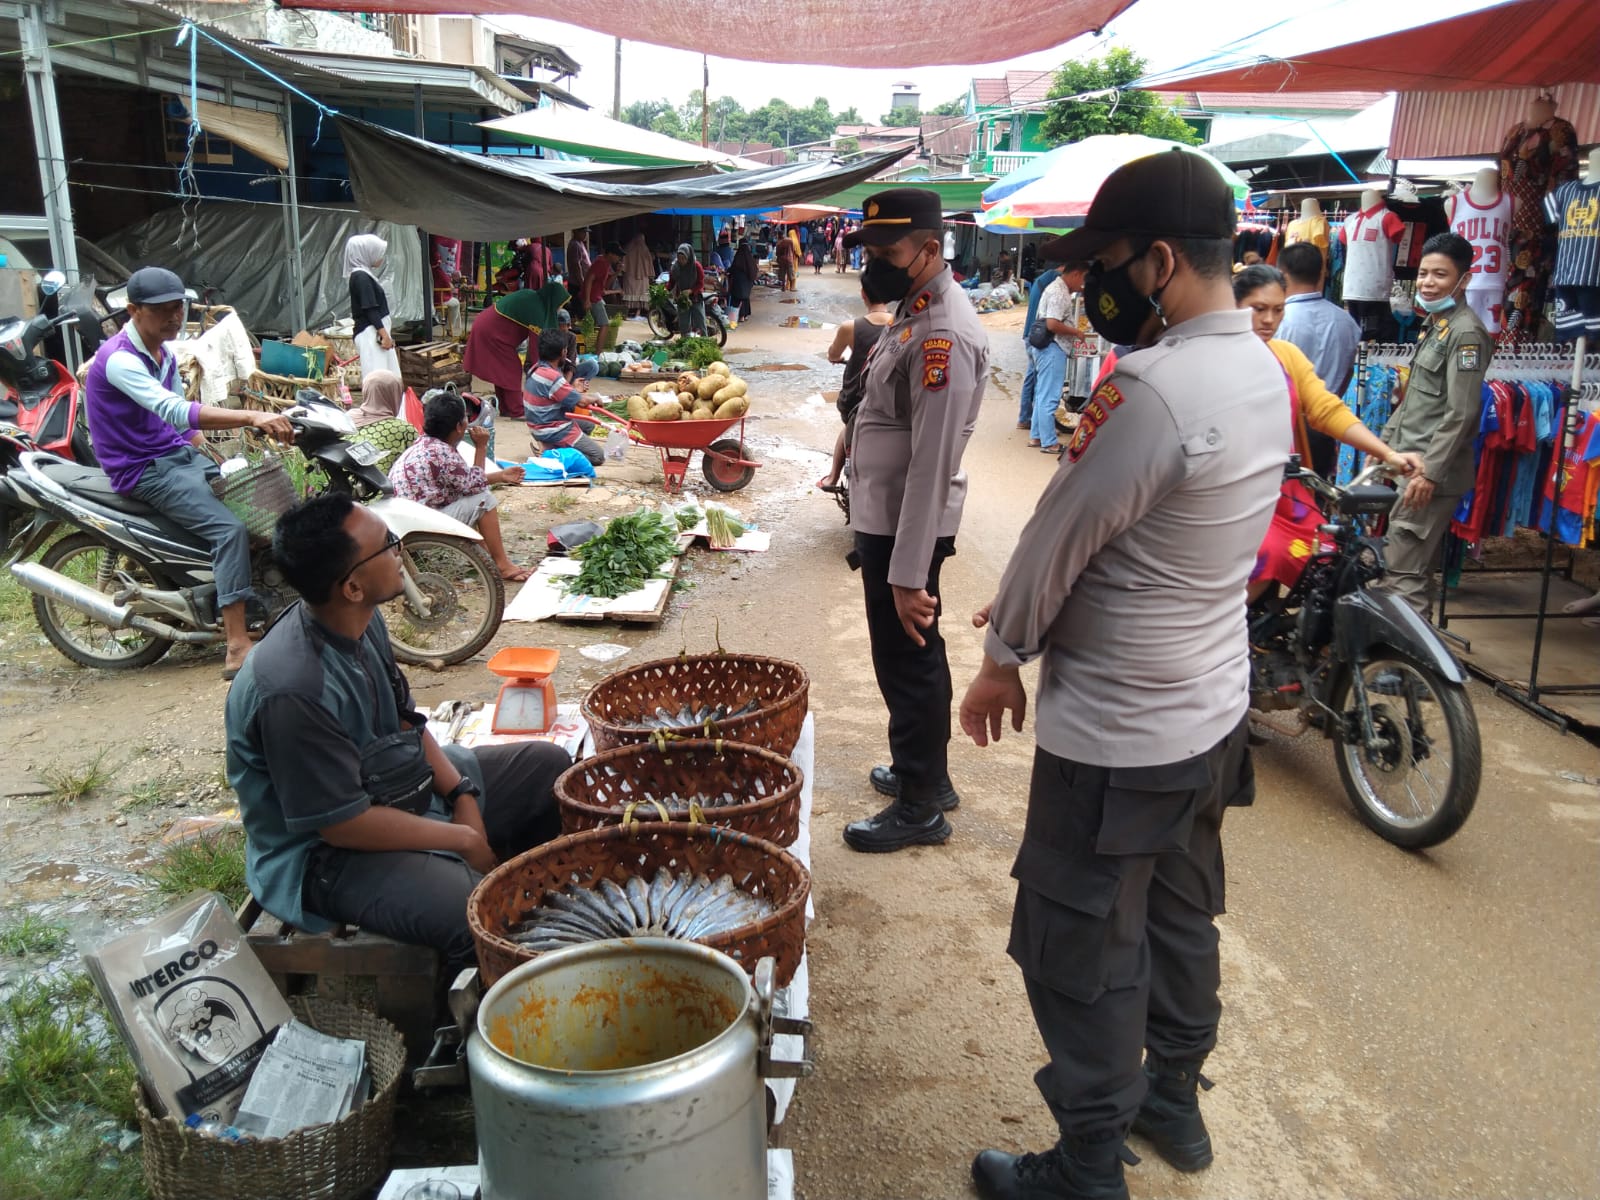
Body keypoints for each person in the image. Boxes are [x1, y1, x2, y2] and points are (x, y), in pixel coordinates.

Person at [958, 150, 1286, 1200]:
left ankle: (1087, 1166)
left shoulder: (1152, 389)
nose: (1095, 286)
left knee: (1077, 943)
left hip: (1118, 738)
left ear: (1157, 261)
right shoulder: (1259, 372)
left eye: (1106, 262)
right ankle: (1173, 1102)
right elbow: (1152, 546)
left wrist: (1001, 657)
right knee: (1180, 913)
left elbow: (1058, 536)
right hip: (1206, 715)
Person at [225, 492, 568, 978]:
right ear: (352, 586)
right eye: (387, 544)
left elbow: (409, 720)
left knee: (547, 767)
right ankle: (472, 1005)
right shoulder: (293, 690)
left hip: (398, 787)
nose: (399, 550)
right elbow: (343, 824)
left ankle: (529, 892)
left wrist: (461, 792)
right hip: (327, 855)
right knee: (480, 916)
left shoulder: (363, 623)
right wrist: (460, 838)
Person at [838, 188, 989, 853]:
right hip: (888, 512)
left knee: (908, 656)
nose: (877, 261)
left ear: (930, 249)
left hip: (906, 521)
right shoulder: (915, 310)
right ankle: (922, 772)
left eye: (889, 251)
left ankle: (922, 804)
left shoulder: (942, 333)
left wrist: (906, 572)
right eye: (870, 250)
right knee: (912, 653)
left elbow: (931, 461)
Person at [82, 266, 294, 678]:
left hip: (174, 456)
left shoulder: (161, 351)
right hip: (141, 469)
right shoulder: (120, 360)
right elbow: (173, 409)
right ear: (133, 311)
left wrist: (211, 454)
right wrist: (251, 415)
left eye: (178, 307)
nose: (175, 317)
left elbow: (182, 424)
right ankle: (235, 645)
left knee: (252, 507)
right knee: (228, 530)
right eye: (162, 309)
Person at [1232, 265, 1421, 603]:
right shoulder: (1213, 359)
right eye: (1257, 309)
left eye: (1278, 310)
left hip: (1284, 490)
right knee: (1267, 558)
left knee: (1328, 555)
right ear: (1233, 307)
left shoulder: (1285, 355)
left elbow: (1325, 409)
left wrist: (1387, 453)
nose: (1268, 320)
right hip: (1229, 494)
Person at [1378, 232, 1493, 619]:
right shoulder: (1436, 325)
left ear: (1464, 279)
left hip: (1428, 475)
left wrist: (1429, 473)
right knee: (1405, 567)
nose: (1428, 282)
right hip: (1409, 465)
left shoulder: (1466, 334)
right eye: (1424, 273)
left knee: (1403, 573)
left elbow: (1461, 413)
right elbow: (1414, 403)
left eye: (1440, 275)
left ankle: (1411, 668)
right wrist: (1383, 450)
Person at [389, 390, 528, 582]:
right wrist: (481, 447)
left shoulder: (422, 444)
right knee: (484, 500)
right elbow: (475, 488)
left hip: (404, 527)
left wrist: (501, 476)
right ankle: (503, 565)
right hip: (420, 532)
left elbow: (462, 483)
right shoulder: (443, 453)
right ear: (460, 426)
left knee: (471, 499)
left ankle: (487, 560)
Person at [1275, 242, 1362, 477]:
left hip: (1285, 430)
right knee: (1317, 496)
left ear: (1282, 274)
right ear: (1322, 273)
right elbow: (1348, 374)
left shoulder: (1276, 320)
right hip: (1326, 428)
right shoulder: (1347, 323)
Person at [817, 271, 897, 491]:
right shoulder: (901, 325)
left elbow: (833, 353)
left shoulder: (850, 327)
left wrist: (837, 358)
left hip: (855, 398)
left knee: (848, 426)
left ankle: (832, 477)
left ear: (863, 295)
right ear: (889, 297)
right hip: (890, 398)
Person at [461, 281, 568, 420]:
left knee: (501, 370)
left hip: (490, 327)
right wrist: (547, 372)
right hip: (493, 331)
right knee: (511, 369)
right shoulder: (537, 308)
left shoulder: (534, 298)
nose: (558, 309)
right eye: (559, 304)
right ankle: (516, 410)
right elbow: (539, 347)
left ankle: (506, 407)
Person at [525, 329, 605, 467]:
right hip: (552, 427)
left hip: (537, 425)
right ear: (563, 352)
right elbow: (582, 402)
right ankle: (552, 454)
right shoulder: (553, 376)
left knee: (588, 425)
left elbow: (555, 395)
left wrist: (573, 389)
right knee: (597, 456)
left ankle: (550, 446)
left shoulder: (535, 368)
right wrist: (596, 397)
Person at [1030, 265, 1087, 455]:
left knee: (1042, 394)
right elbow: (1052, 324)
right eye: (1083, 278)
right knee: (1050, 397)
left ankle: (1037, 435)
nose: (1083, 284)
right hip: (1052, 348)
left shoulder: (1058, 289)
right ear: (1076, 273)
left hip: (1046, 349)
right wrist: (1076, 332)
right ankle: (1050, 443)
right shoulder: (1059, 292)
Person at [345, 234, 399, 381]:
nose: (381, 257)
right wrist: (384, 335)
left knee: (387, 376)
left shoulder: (363, 275)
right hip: (371, 334)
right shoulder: (361, 277)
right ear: (365, 253)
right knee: (379, 378)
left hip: (375, 334)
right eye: (378, 253)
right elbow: (370, 309)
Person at [1017, 264, 1061, 436]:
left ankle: (1025, 418)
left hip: (1031, 333)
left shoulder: (1042, 279)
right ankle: (1039, 427)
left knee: (1032, 378)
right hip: (1038, 336)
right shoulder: (1054, 281)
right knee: (1041, 383)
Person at [346, 369, 416, 473]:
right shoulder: (405, 430)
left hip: (345, 485)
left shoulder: (347, 420)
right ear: (394, 394)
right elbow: (418, 466)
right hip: (382, 487)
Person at [581, 242, 623, 330]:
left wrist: (617, 272)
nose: (619, 258)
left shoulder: (606, 264)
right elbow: (589, 280)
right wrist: (587, 300)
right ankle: (600, 344)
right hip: (593, 298)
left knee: (596, 323)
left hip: (596, 297)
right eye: (618, 255)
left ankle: (594, 342)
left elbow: (606, 285)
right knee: (604, 325)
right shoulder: (601, 263)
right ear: (610, 254)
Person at [669, 244, 707, 336]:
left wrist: (690, 291)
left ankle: (705, 342)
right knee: (684, 325)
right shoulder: (675, 268)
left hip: (696, 297)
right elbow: (672, 282)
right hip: (682, 299)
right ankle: (685, 342)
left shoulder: (696, 266)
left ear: (688, 257)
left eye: (683, 258)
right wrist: (665, 290)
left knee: (700, 323)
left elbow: (700, 283)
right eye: (679, 258)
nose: (681, 261)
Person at [553, 311, 599, 388]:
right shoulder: (550, 338)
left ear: (568, 326)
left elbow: (571, 365)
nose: (561, 334)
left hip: (566, 375)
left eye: (564, 331)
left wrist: (565, 386)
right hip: (552, 375)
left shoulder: (571, 337)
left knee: (593, 366)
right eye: (558, 330)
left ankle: (573, 389)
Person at [622, 231, 655, 317]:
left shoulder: (628, 248)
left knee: (630, 292)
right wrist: (650, 275)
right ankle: (638, 312)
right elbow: (650, 264)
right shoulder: (645, 249)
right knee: (641, 293)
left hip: (630, 275)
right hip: (643, 277)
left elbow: (623, 263)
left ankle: (627, 312)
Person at [728, 239, 756, 323]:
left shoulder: (738, 257)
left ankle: (740, 316)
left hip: (738, 283)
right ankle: (744, 315)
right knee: (745, 297)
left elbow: (732, 269)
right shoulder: (750, 259)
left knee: (737, 297)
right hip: (748, 283)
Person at [565, 228, 591, 305]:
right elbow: (577, 266)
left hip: (582, 282)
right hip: (577, 284)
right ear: (575, 232)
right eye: (583, 232)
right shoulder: (575, 244)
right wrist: (582, 283)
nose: (585, 235)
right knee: (580, 309)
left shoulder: (580, 243)